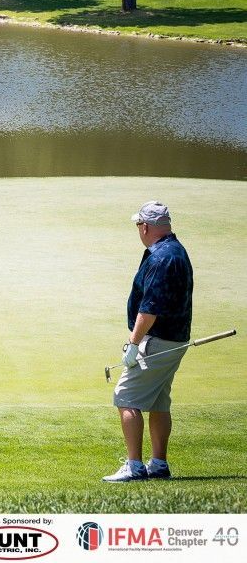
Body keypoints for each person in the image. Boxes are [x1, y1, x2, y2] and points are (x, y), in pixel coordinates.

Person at [103, 201, 194, 483]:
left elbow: (150, 307)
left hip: (158, 340)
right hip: (175, 338)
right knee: (158, 401)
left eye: (138, 225)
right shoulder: (176, 251)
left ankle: (134, 466)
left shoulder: (160, 258)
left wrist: (133, 343)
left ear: (145, 226)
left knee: (125, 397)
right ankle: (158, 464)